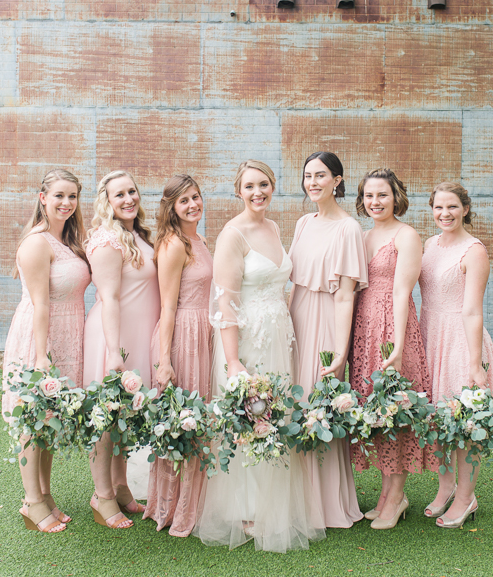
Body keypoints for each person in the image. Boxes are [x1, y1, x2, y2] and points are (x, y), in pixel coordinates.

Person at [195, 160, 323, 553]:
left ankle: (270, 503)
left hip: (277, 337)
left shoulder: (272, 227)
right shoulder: (233, 235)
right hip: (247, 341)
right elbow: (225, 303)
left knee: (274, 416)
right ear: (238, 191)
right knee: (250, 417)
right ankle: (246, 509)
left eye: (264, 184)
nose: (257, 192)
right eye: (249, 186)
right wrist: (233, 362)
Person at [1, 168, 91, 533]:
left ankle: (46, 494)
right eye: (59, 196)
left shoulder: (67, 240)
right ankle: (31, 501)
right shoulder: (37, 243)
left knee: (50, 420)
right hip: (41, 336)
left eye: (72, 197)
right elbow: (40, 304)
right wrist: (41, 356)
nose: (66, 203)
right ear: (43, 198)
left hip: (69, 334)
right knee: (32, 422)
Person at [349, 168, 435, 529]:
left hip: (392, 328)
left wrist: (398, 347)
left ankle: (397, 495)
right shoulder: (364, 236)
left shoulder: (406, 235)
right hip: (364, 328)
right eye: (369, 196)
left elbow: (403, 292)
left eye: (382, 195)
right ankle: (385, 494)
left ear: (395, 196)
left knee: (396, 409)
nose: (375, 202)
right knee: (375, 409)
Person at [287, 151, 366, 530]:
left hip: (325, 323)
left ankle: (324, 505)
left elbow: (346, 294)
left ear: (337, 180)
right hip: (297, 318)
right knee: (294, 405)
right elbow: (294, 281)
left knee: (317, 404)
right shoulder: (303, 223)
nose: (313, 182)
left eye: (321, 175)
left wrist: (339, 349)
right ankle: (295, 498)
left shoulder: (348, 229)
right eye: (307, 176)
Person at [81, 170, 158, 529]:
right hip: (114, 337)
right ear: (106, 202)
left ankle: (122, 486)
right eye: (119, 195)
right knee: (107, 418)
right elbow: (107, 296)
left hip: (137, 335)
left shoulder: (135, 235)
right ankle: (102, 495)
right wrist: (114, 351)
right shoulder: (107, 239)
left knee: (125, 415)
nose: (128, 199)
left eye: (132, 191)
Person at [419, 181, 493, 528]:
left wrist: (474, 363)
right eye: (438, 207)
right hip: (430, 337)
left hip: (460, 342)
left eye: (452, 207)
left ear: (465, 209)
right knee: (436, 421)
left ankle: (467, 498)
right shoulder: (429, 245)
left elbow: (472, 311)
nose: (444, 214)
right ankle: (446, 485)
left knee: (464, 426)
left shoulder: (474, 251)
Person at [143, 174, 212, 537]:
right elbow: (167, 307)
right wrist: (164, 360)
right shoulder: (173, 244)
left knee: (198, 422)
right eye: (184, 200)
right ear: (171, 207)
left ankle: (195, 504)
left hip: (205, 333)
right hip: (182, 334)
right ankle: (172, 509)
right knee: (181, 420)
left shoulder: (199, 239)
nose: (192, 205)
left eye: (196, 197)